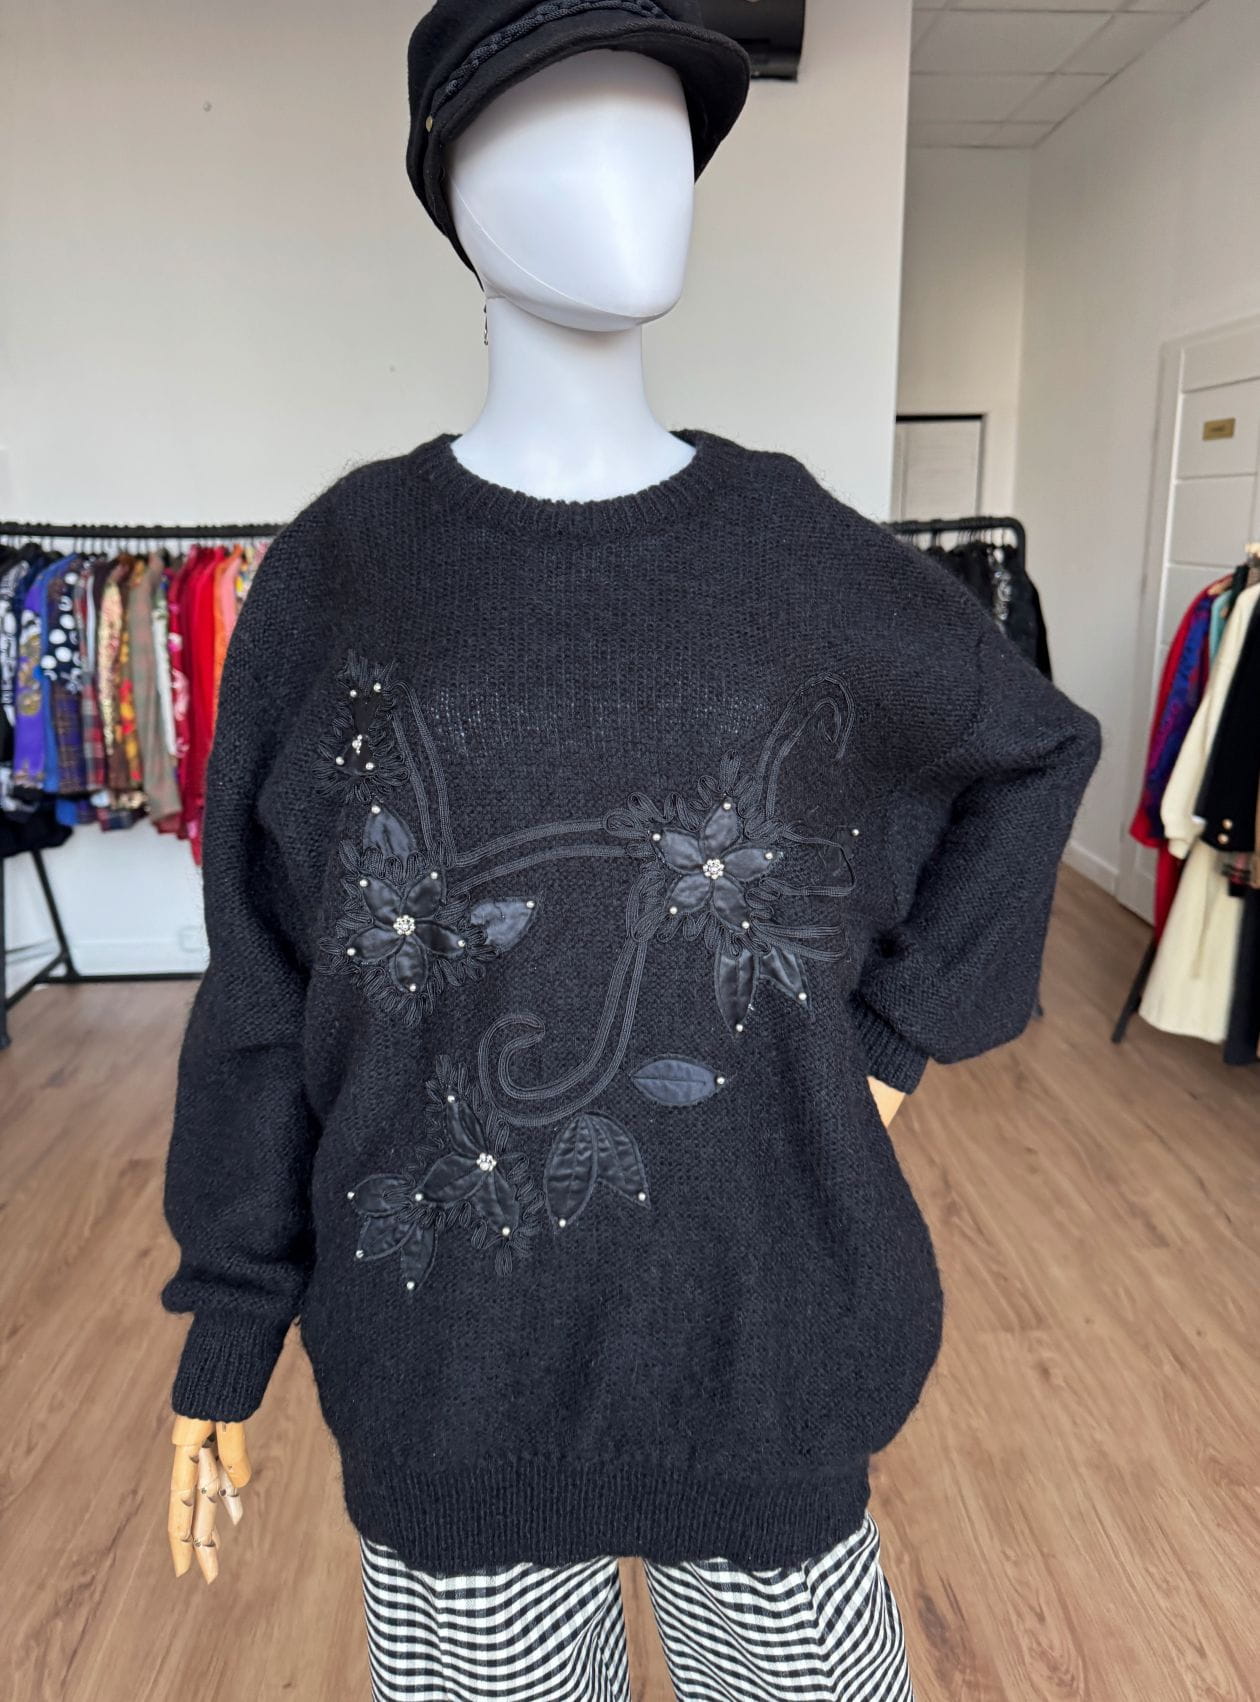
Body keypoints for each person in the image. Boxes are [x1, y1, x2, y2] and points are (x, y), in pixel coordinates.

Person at [161, 4, 1102, 1698]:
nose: (636, 164)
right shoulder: (344, 573)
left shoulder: (792, 550)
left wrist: (897, 1035)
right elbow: (261, 980)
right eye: (556, 115)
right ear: (451, 183)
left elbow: (1033, 746)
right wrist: (230, 1316)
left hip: (766, 1338)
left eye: (665, 117)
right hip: (452, 1375)